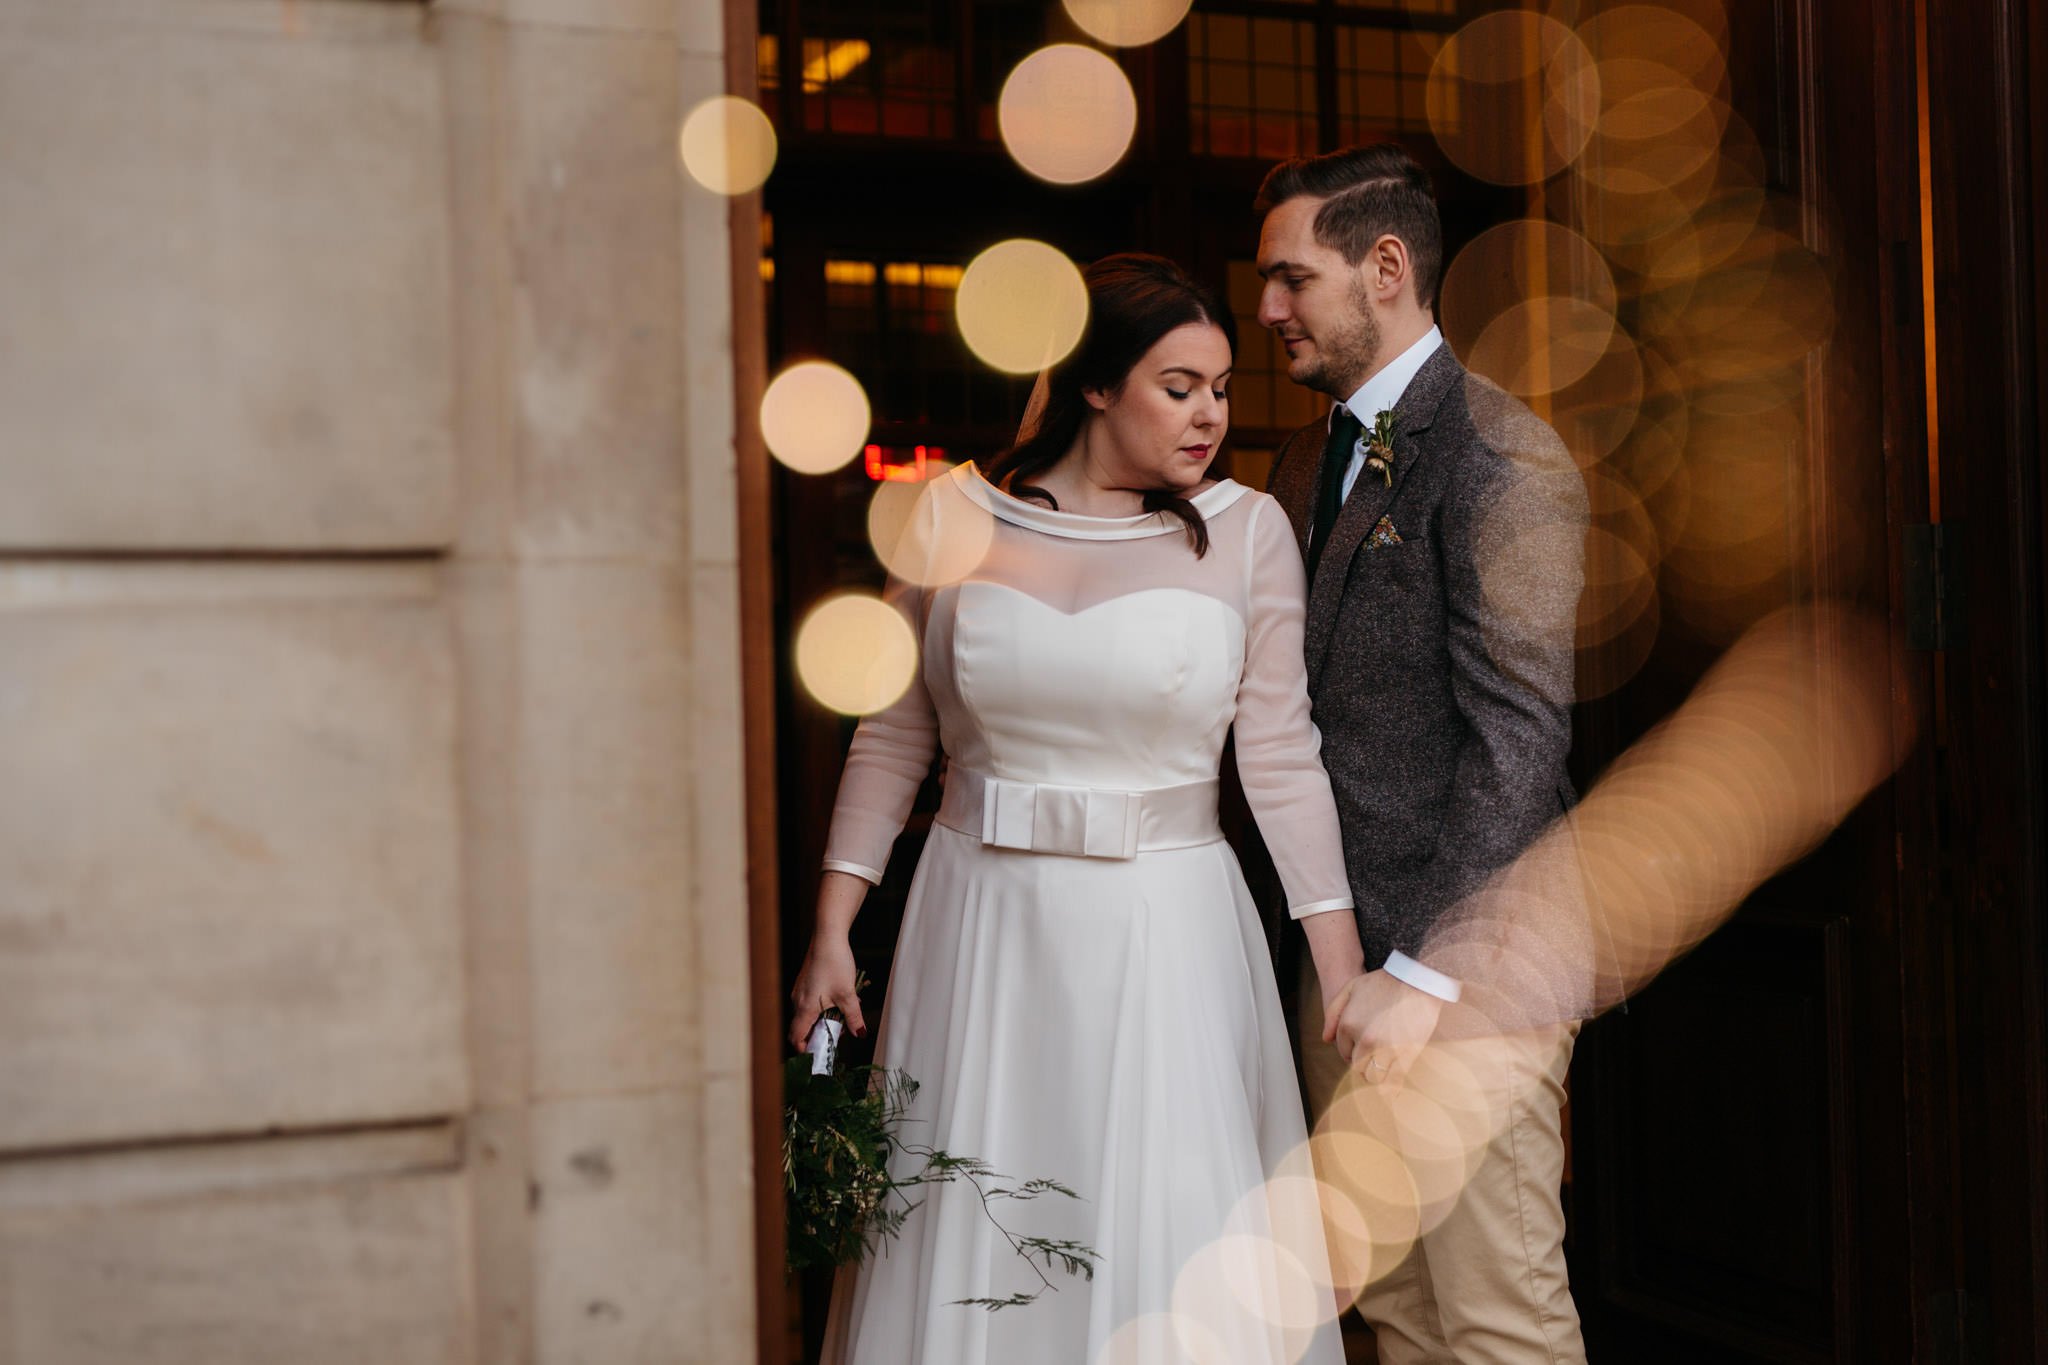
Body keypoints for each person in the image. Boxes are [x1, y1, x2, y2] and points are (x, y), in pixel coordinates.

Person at [790, 253, 1372, 1364]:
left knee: (1162, 1210)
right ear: (1095, 385)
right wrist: (830, 928)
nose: (1208, 414)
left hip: (1168, 932)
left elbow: (1282, 759)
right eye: (1177, 386)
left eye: (1218, 388)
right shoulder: (941, 515)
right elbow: (892, 736)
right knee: (976, 1206)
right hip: (977, 925)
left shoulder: (1246, 533)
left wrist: (1335, 963)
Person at [1254, 144, 1591, 1363]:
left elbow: (1519, 731)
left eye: (1291, 278)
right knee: (1393, 1315)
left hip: (1474, 974)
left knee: (1498, 1316)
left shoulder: (1499, 451)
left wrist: (1429, 973)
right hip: (1340, 971)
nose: (1267, 309)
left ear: (1383, 265)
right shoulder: (1299, 463)